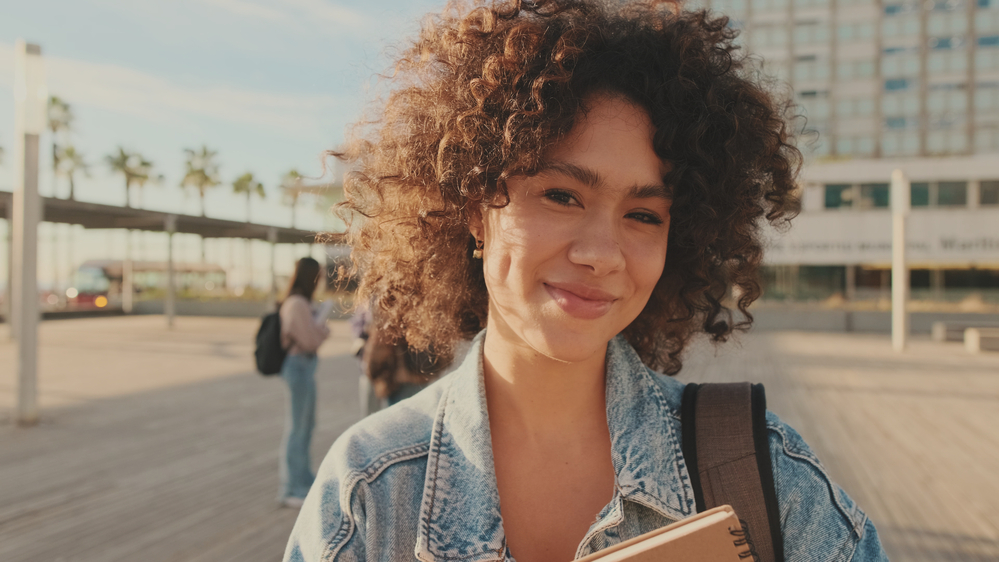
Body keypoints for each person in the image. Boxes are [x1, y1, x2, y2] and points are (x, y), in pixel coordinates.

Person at [285, 1, 889, 560]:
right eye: (561, 195)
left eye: (644, 215)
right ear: (475, 208)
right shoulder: (371, 490)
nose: (603, 254)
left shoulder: (765, 475)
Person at [277, 257, 330, 508]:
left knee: (307, 424)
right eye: (318, 276)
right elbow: (309, 340)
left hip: (304, 367)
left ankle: (303, 478)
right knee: (298, 427)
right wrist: (323, 330)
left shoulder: (301, 303)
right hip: (297, 367)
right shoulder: (297, 303)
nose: (320, 281)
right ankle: (291, 487)